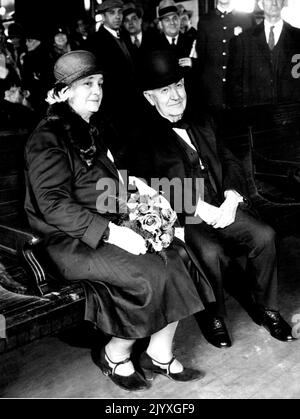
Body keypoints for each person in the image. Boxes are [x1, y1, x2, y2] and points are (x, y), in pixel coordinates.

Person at [24, 50, 208, 392]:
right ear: (64, 92)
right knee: (151, 272)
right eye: (86, 84)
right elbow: (52, 205)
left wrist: (132, 185)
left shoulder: (87, 126)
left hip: (106, 225)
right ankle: (115, 353)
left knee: (181, 254)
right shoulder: (46, 138)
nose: (96, 90)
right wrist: (113, 234)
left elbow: (97, 181)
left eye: (99, 83)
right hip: (70, 242)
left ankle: (159, 353)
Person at [125, 50, 294, 349]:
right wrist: (199, 207)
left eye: (178, 85)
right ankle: (213, 316)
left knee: (264, 235)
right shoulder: (141, 135)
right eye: (165, 91)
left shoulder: (203, 117)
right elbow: (149, 185)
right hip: (185, 215)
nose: (175, 95)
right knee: (212, 252)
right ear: (150, 98)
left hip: (222, 204)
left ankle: (267, 307)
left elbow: (229, 160)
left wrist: (231, 197)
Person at [227, 0, 300, 107]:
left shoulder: (297, 37)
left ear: (283, 3)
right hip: (256, 115)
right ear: (261, 4)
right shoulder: (244, 40)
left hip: (290, 115)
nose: (274, 3)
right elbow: (234, 84)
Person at [196, 0, 253, 111]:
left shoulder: (246, 20)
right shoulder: (205, 21)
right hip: (213, 93)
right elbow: (202, 57)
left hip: (239, 92)